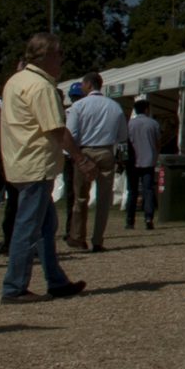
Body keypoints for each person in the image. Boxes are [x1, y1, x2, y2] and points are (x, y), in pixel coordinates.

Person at [0, 33, 87, 305]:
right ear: (47, 56)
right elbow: (56, 128)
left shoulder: (16, 81)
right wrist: (80, 158)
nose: (61, 60)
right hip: (36, 165)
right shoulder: (41, 87)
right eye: (58, 55)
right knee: (28, 227)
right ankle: (14, 286)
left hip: (20, 161)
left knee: (46, 225)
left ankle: (56, 280)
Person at [65, 72, 126, 250]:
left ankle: (78, 236)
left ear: (88, 85)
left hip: (85, 151)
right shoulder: (115, 106)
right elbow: (122, 135)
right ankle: (98, 240)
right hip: (106, 150)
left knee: (81, 197)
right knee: (104, 199)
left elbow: (71, 133)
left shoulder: (78, 106)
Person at [123, 95, 163, 231]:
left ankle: (130, 220)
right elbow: (158, 143)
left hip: (133, 161)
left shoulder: (130, 124)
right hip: (149, 161)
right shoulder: (153, 124)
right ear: (146, 109)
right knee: (148, 190)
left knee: (132, 191)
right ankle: (148, 218)